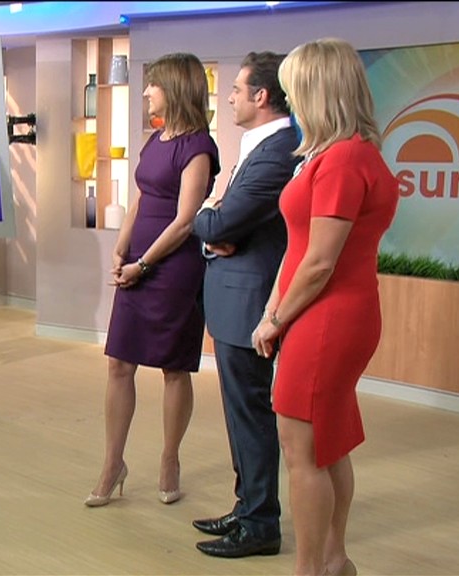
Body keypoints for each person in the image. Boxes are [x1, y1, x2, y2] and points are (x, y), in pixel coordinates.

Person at [252, 38, 399, 576]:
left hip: (328, 316)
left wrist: (276, 319)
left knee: (304, 450)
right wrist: (272, 312)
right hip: (321, 311)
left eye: (294, 90)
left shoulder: (343, 160)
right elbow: (298, 250)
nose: (289, 100)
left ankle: (311, 568)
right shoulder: (332, 155)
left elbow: (318, 263)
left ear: (319, 91)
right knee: (328, 443)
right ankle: (334, 561)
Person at [85, 52, 220, 507]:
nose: (146, 92)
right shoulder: (156, 139)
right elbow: (141, 199)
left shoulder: (198, 147)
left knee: (173, 368)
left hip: (173, 269)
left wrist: (143, 265)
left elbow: (185, 221)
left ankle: (169, 459)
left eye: (153, 84)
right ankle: (112, 463)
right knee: (118, 364)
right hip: (136, 263)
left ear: (175, 88)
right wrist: (121, 247)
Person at [190, 52, 301, 558]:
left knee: (251, 414)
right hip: (234, 297)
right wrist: (214, 224)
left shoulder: (278, 152)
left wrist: (208, 213)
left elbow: (217, 222)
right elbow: (219, 227)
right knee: (240, 415)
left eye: (236, 89)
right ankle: (248, 507)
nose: (230, 97)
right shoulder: (260, 146)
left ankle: (260, 524)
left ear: (261, 95)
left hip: (251, 301)